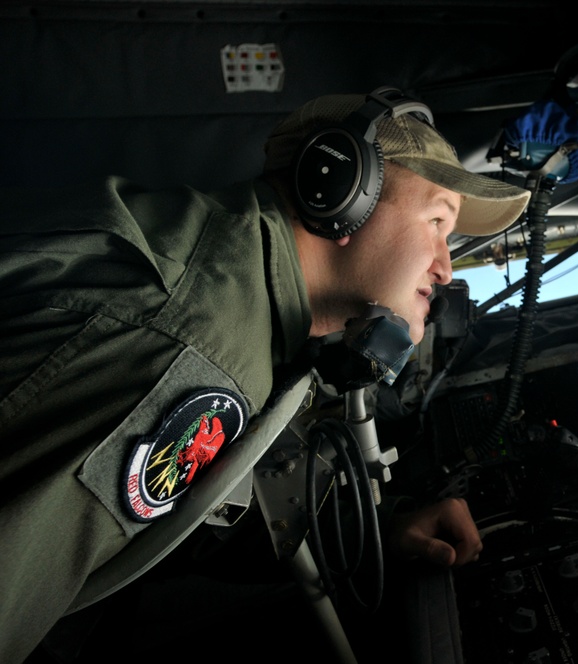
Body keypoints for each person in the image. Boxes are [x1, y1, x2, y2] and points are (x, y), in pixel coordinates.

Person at [0, 88, 531, 662]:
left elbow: (196, 505)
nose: (447, 268)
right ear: (341, 190)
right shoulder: (201, 345)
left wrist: (375, 530)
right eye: (436, 222)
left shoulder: (234, 280)